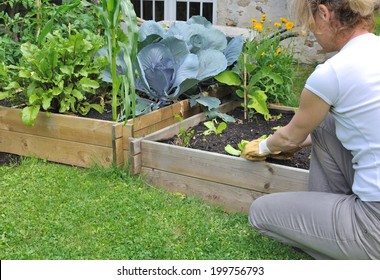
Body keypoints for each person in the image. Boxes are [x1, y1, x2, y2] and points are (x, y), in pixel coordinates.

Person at [241, 0, 380, 259]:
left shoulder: (333, 73)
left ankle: (351, 248)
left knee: (260, 213)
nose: (310, 32)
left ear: (325, 14)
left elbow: (291, 136)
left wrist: (261, 147)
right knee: (325, 124)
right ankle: (333, 217)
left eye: (311, 22)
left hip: (375, 224)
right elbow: (310, 132)